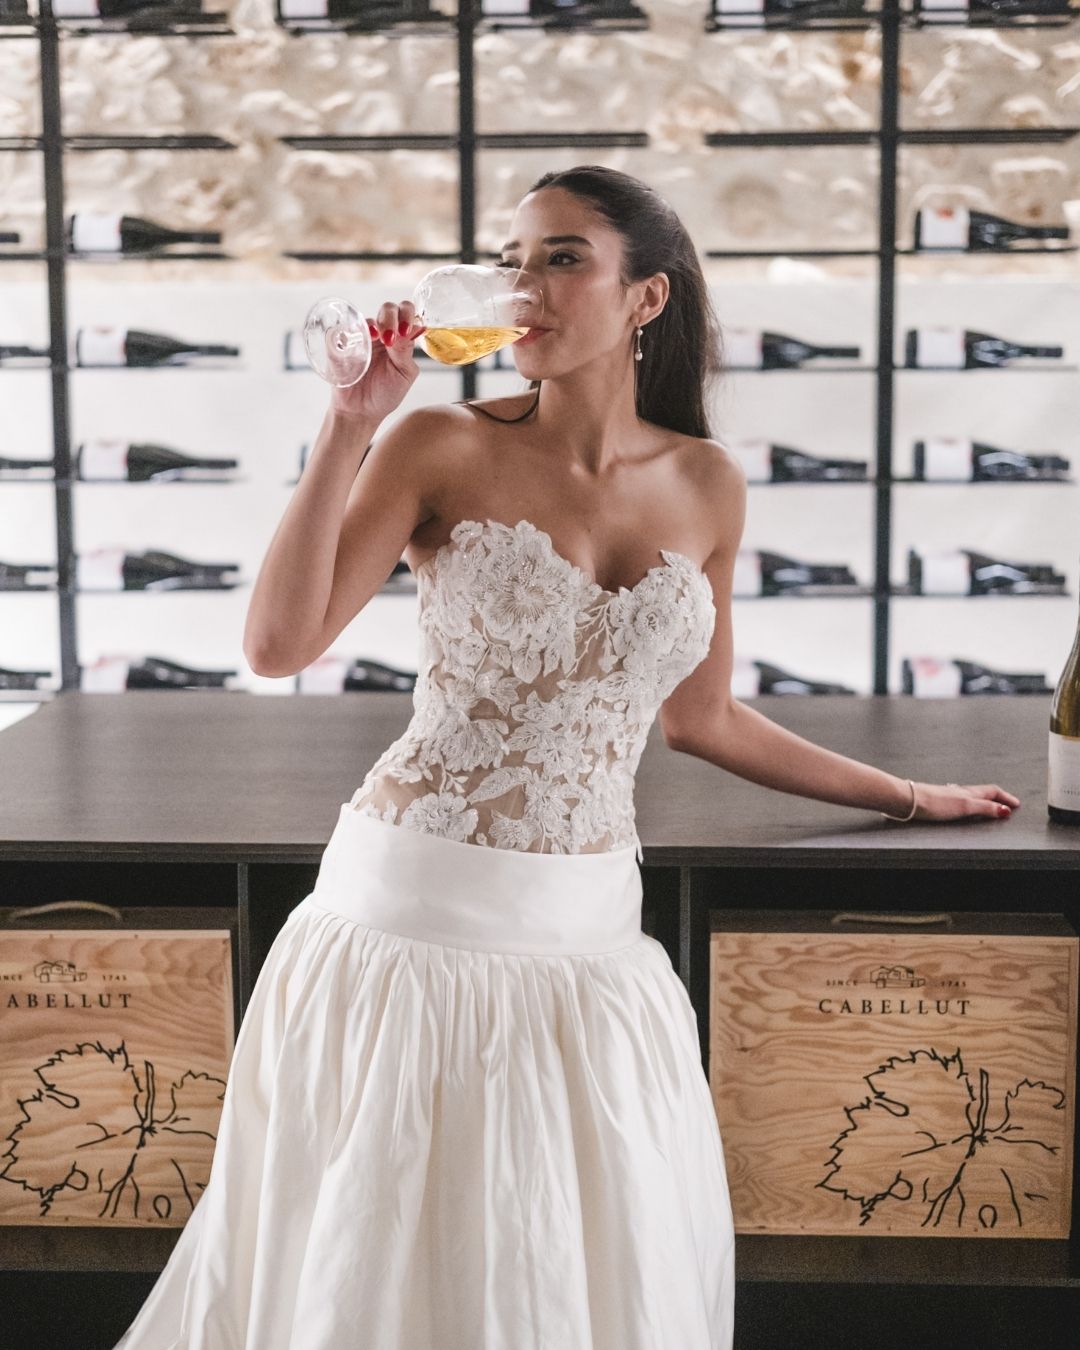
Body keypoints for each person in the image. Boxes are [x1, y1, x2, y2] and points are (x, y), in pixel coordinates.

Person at [113, 165, 1020, 1350]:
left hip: (592, 944)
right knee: (382, 1275)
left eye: (562, 259)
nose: (524, 288)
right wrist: (350, 423)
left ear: (647, 297)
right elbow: (277, 645)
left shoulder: (707, 482)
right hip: (409, 922)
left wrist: (906, 796)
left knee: (569, 1278)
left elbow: (704, 718)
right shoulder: (437, 441)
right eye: (513, 261)